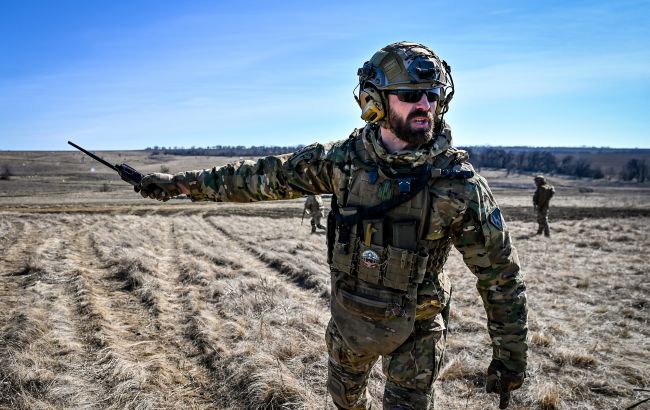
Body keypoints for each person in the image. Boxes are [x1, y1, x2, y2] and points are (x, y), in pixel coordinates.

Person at [138, 41, 528, 409]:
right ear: (373, 101)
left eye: (433, 95)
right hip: (350, 318)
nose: (425, 105)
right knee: (345, 401)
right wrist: (179, 185)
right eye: (410, 95)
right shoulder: (342, 161)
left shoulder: (459, 185)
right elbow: (259, 178)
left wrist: (510, 357)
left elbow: (500, 276)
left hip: (417, 333)